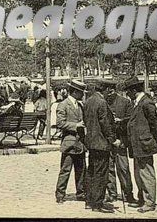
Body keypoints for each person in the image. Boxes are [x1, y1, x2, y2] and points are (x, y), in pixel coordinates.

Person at [124, 77, 157, 213]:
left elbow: (155, 125)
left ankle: (150, 201)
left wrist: (153, 141)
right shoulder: (138, 102)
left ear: (134, 90)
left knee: (146, 173)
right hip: (137, 145)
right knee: (139, 173)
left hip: (144, 144)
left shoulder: (146, 103)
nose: (127, 94)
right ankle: (142, 199)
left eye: (128, 91)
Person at [83, 82, 118, 213]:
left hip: (91, 142)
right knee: (101, 173)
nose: (110, 93)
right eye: (110, 90)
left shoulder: (88, 101)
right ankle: (97, 203)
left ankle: (89, 201)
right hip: (101, 143)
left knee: (91, 172)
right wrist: (112, 139)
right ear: (106, 89)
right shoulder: (102, 102)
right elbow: (105, 123)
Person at [103, 80, 136, 205]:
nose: (109, 94)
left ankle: (128, 194)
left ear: (113, 90)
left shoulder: (125, 102)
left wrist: (120, 121)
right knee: (109, 168)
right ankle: (112, 194)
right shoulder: (103, 102)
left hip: (121, 141)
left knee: (123, 168)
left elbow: (131, 121)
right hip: (107, 142)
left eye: (110, 91)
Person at [55, 80, 87, 204]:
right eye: (81, 92)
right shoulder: (63, 105)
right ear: (75, 92)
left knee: (81, 170)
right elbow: (60, 123)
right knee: (65, 170)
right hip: (69, 143)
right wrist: (76, 125)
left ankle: (81, 192)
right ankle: (60, 194)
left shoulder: (80, 106)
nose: (83, 95)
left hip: (80, 143)